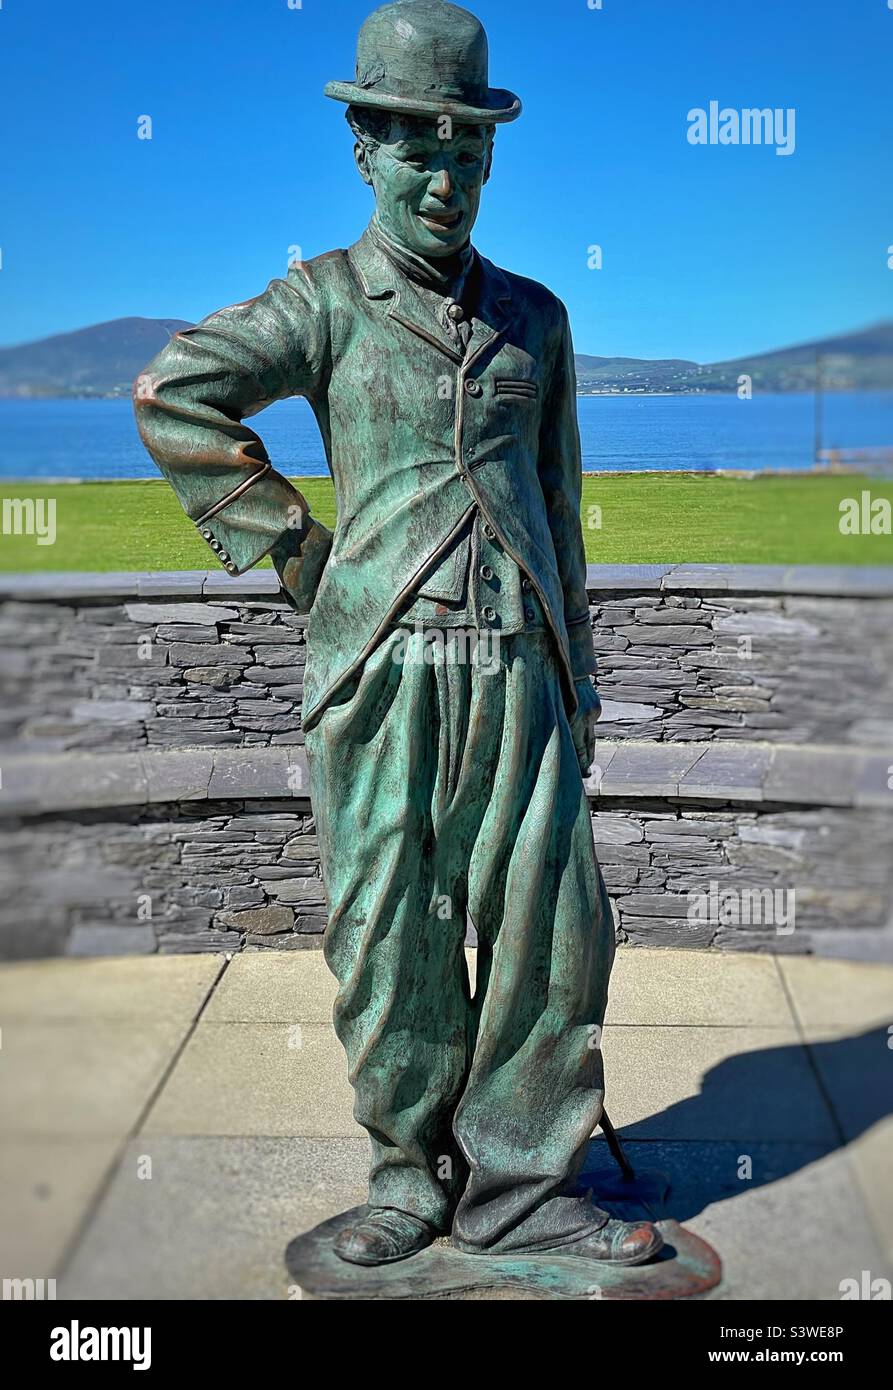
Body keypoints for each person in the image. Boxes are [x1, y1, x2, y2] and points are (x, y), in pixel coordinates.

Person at [134, 0, 662, 1269]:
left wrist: (577, 672)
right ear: (363, 149)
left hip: (519, 665)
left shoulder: (536, 318)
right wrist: (296, 549)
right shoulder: (322, 301)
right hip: (383, 669)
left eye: (465, 155)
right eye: (417, 151)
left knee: (550, 929)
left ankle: (526, 1184)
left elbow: (560, 502)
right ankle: (406, 1173)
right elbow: (175, 394)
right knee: (388, 929)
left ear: (490, 162)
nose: (444, 178)